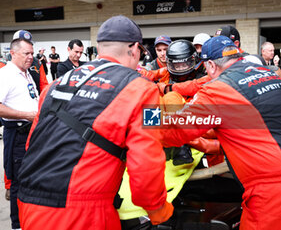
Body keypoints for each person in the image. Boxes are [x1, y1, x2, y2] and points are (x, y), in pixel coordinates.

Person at [161, 36, 281, 229]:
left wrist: (139, 114)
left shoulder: (218, 90)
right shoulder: (273, 78)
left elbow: (170, 131)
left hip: (275, 199)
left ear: (210, 65)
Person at [17, 15, 173, 230]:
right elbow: (146, 163)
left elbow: (32, 144)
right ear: (135, 48)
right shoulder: (142, 89)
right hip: (82, 211)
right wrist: (158, 211)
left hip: (28, 203)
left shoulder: (56, 85)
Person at [0, 31, 39, 230]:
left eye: (32, 53)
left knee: (31, 180)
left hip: (31, 135)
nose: (31, 57)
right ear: (13, 53)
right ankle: (17, 225)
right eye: (26, 53)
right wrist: (26, 115)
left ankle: (29, 221)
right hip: (17, 134)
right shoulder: (6, 74)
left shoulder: (28, 73)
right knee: (17, 183)